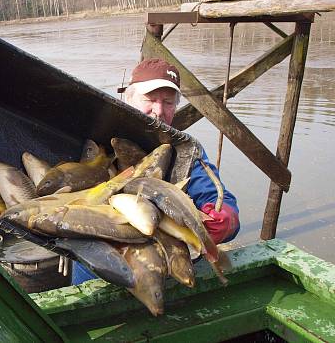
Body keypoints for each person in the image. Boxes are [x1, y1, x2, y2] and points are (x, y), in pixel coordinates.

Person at [72, 58, 240, 285]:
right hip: (97, 268)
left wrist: (226, 218)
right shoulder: (98, 136)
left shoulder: (185, 151)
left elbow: (217, 196)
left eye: (168, 102)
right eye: (150, 100)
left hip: (164, 268)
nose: (159, 110)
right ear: (128, 98)